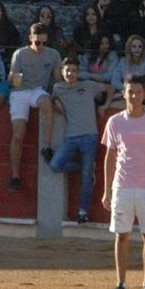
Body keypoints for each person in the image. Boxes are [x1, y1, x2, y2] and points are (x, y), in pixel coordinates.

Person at [99, 77, 145, 289]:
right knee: (122, 234)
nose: (134, 96)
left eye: (138, 92)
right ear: (124, 93)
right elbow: (110, 157)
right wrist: (107, 189)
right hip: (123, 185)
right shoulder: (115, 122)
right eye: (130, 92)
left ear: (144, 94)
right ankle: (121, 283)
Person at [47, 55, 109, 224]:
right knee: (55, 165)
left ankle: (82, 211)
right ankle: (83, 168)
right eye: (68, 71)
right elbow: (50, 97)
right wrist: (54, 101)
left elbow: (109, 89)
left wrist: (105, 105)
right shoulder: (58, 88)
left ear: (78, 72)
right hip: (71, 137)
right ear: (62, 72)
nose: (71, 74)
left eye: (74, 71)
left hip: (89, 136)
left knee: (86, 178)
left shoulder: (88, 85)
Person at [7, 22, 61, 191]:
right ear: (30, 39)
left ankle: (46, 146)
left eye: (44, 43)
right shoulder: (20, 54)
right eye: (37, 42)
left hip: (38, 90)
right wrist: (15, 78)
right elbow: (13, 81)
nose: (40, 46)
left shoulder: (53, 54)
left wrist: (58, 96)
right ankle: (15, 175)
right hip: (20, 91)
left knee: (46, 101)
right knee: (17, 136)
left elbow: (58, 79)